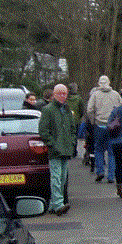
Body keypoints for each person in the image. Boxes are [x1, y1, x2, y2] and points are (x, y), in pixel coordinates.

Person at [38, 84, 77, 216]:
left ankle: (53, 205)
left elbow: (72, 129)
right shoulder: (48, 110)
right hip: (55, 151)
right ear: (54, 94)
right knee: (56, 177)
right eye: (59, 93)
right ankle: (59, 204)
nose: (62, 96)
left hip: (66, 149)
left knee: (62, 178)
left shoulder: (67, 110)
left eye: (64, 93)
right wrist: (53, 144)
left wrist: (72, 143)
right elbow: (43, 131)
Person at [87, 75, 122, 183]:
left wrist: (93, 121)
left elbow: (89, 110)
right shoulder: (116, 95)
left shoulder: (95, 95)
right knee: (112, 152)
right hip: (112, 126)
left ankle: (100, 171)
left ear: (99, 83)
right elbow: (121, 108)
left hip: (99, 125)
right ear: (109, 82)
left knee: (98, 149)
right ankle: (111, 176)